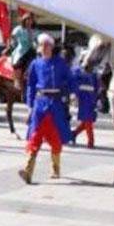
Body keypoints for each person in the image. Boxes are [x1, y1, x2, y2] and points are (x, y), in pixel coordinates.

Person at [19, 34, 72, 184]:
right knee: (35, 135)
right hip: (40, 105)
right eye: (41, 45)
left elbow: (69, 80)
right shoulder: (35, 64)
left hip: (55, 105)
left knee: (55, 139)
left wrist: (67, 94)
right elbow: (30, 85)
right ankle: (28, 171)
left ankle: (55, 168)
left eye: (47, 45)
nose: (44, 48)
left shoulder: (61, 63)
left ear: (52, 47)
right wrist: (30, 105)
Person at [69, 52, 100, 148]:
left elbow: (97, 85)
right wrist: (74, 96)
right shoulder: (77, 70)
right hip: (82, 97)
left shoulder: (94, 72)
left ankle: (73, 134)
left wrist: (97, 98)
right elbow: (74, 83)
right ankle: (91, 141)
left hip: (91, 97)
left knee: (88, 120)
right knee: (88, 119)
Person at [8, 11, 37, 78]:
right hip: (21, 51)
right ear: (24, 20)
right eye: (27, 19)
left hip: (32, 51)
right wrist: (10, 46)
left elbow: (36, 41)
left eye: (31, 19)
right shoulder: (19, 29)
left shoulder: (34, 31)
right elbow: (12, 39)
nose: (29, 21)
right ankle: (17, 80)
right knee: (19, 64)